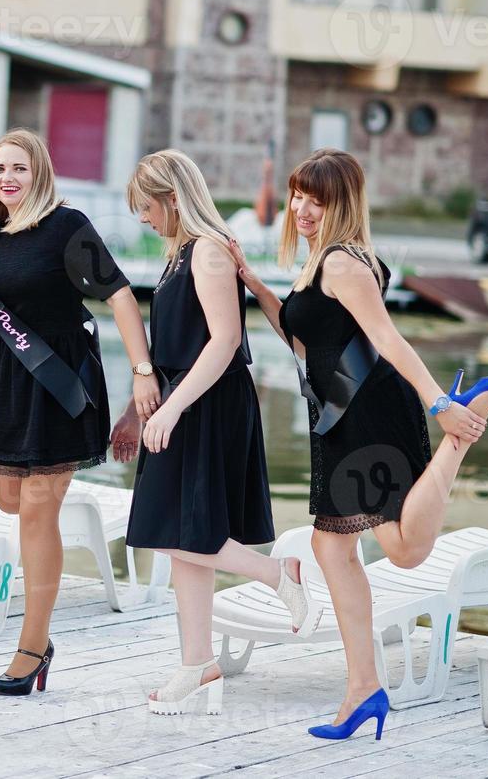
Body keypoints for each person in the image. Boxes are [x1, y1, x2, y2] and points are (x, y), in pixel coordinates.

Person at [232, 147, 488, 740]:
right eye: (298, 196)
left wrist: (439, 403)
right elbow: (303, 341)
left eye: (316, 200)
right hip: (338, 419)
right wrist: (255, 284)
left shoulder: (343, 263)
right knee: (333, 547)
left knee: (402, 549)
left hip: (367, 413)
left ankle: (464, 430)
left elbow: (387, 338)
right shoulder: (322, 262)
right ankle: (364, 688)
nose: (301, 208)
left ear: (342, 204)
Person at [114, 150, 310, 716]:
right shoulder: (178, 253)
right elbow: (168, 347)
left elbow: (224, 341)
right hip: (181, 396)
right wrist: (137, 408)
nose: (144, 219)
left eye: (147, 207)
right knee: (180, 538)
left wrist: (172, 409)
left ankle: (280, 573)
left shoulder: (208, 251)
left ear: (172, 198)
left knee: (182, 532)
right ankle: (197, 663)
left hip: (207, 402)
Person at [0, 130, 158, 696]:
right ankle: (38, 618)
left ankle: (33, 646)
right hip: (6, 376)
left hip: (59, 380)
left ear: (40, 173)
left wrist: (142, 374)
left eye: (19, 169)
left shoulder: (66, 226)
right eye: (0, 168)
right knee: (8, 498)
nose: (8, 178)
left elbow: (121, 295)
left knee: (36, 508)